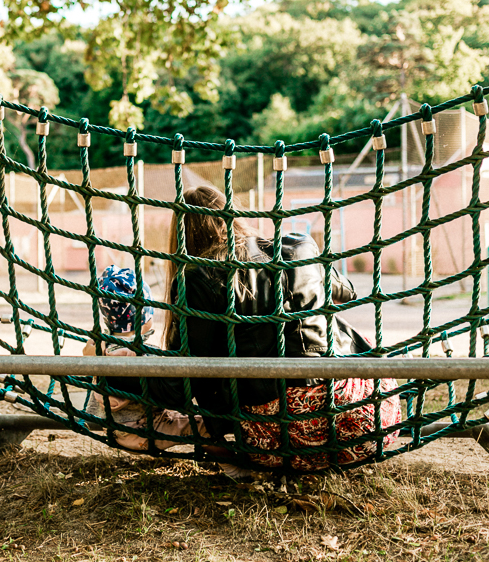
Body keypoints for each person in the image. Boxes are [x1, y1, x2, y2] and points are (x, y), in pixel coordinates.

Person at [156, 186, 402, 472]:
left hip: (278, 442)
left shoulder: (197, 277)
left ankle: (232, 461)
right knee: (341, 333)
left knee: (211, 364)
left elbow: (180, 386)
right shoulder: (298, 246)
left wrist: (115, 371)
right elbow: (347, 292)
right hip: (370, 425)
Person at [83, 265, 213, 453]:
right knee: (207, 426)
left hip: (113, 429)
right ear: (143, 316)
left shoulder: (101, 346)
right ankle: (235, 470)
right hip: (144, 431)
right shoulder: (142, 353)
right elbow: (170, 391)